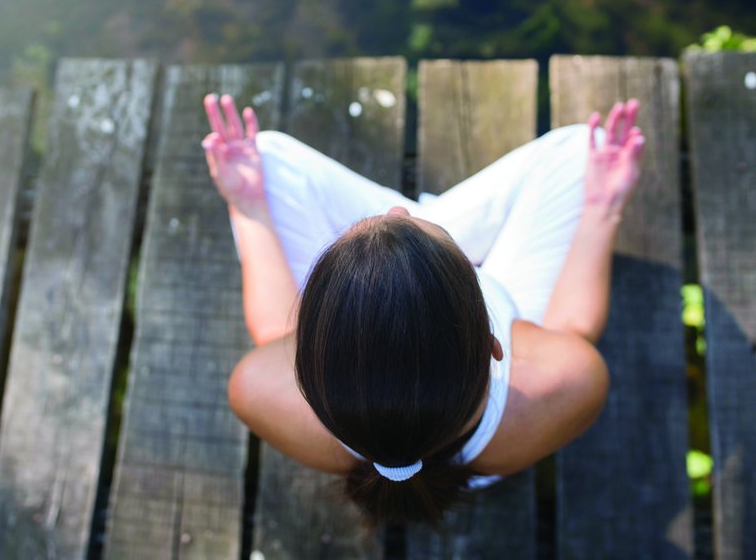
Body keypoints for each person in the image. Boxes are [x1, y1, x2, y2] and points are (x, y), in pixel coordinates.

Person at [201, 93, 645, 527]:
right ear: (495, 346)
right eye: (411, 223)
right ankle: (433, 243)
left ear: (305, 358)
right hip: (500, 298)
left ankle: (414, 250)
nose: (395, 210)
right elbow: (571, 328)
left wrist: (248, 205)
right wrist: (602, 207)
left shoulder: (255, 390)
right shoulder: (558, 386)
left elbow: (269, 336)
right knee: (579, 153)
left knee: (266, 157)